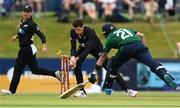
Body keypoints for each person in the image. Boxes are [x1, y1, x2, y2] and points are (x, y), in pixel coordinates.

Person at [88, 22, 177, 95]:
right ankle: (164, 74)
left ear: (105, 33)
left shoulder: (110, 38)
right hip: (139, 46)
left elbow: (102, 57)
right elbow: (141, 35)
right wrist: (144, 49)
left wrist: (94, 72)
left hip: (126, 49)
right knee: (153, 64)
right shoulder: (127, 29)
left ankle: (108, 87)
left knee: (112, 63)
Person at [1, 5, 61, 95]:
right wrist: (16, 36)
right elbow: (22, 32)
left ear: (31, 13)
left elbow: (41, 35)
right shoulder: (22, 21)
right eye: (24, 11)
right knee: (35, 70)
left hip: (27, 49)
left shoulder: (32, 24)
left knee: (17, 69)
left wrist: (44, 45)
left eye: (28, 11)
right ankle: (55, 74)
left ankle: (11, 90)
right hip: (28, 50)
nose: (25, 13)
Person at [69, 19, 137, 97]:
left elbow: (88, 50)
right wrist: (73, 57)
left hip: (96, 48)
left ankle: (128, 90)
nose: (77, 32)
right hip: (83, 48)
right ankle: (82, 92)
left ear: (83, 27)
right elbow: (73, 47)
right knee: (76, 66)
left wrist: (76, 59)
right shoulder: (73, 32)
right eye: (75, 30)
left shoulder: (90, 31)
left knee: (110, 69)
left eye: (78, 29)